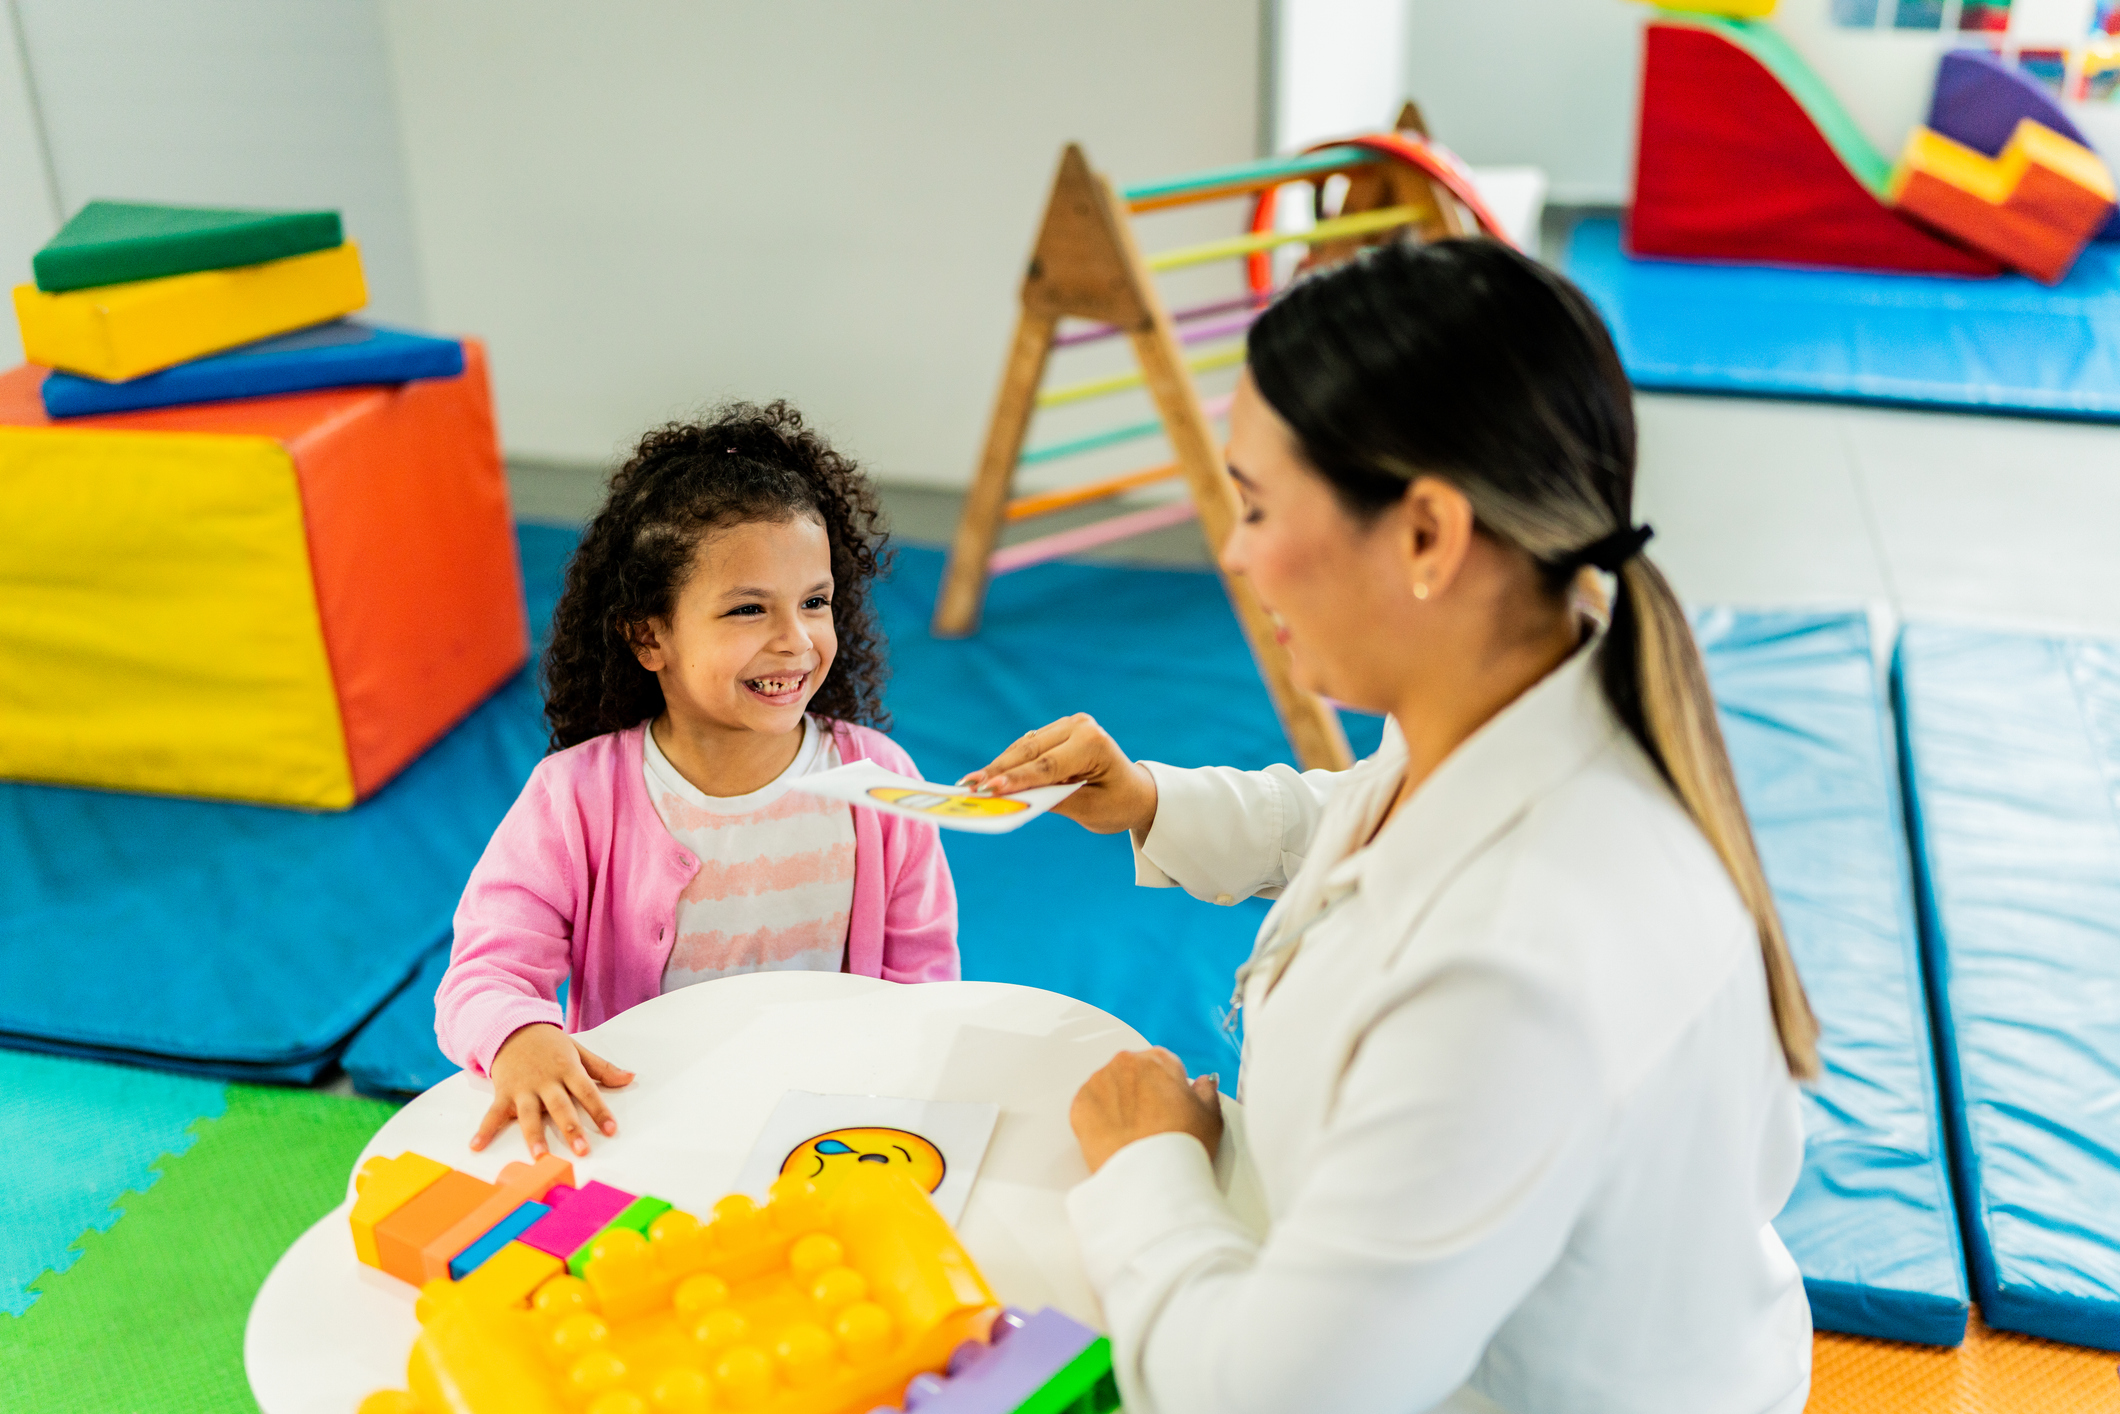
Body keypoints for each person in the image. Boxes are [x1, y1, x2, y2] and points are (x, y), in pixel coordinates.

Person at [964, 240, 1819, 1414]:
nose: (1232, 550)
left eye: (1256, 506)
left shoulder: (1509, 974)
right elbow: (1358, 829)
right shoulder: (1533, 692)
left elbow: (1261, 1395)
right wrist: (1160, 800)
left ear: (1425, 535)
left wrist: (1146, 1165)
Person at [438, 402, 958, 1160]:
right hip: (649, 1125)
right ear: (651, 637)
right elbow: (487, 965)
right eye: (748, 609)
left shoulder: (881, 783)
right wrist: (519, 1034)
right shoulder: (575, 797)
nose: (795, 640)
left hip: (827, 1126)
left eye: (815, 602)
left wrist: (910, 1077)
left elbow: (924, 974)